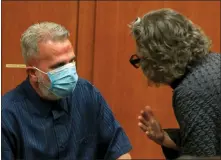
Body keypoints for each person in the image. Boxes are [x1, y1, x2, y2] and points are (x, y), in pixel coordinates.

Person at [2, 22, 132, 160]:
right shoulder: (6, 116)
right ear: (33, 73)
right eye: (59, 65)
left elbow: (120, 153)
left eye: (72, 61)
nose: (69, 71)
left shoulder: (87, 94)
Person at [128, 8, 221, 159]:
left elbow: (200, 157)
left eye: (141, 60)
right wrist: (164, 138)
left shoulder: (191, 91)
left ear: (157, 58)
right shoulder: (215, 60)